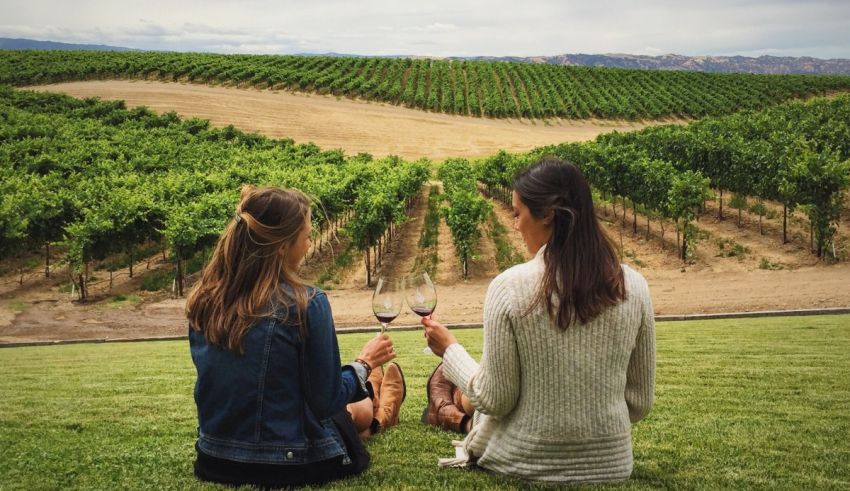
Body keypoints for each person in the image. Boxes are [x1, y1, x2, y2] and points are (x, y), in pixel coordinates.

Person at [422, 157, 656, 484]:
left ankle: (442, 401)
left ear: (547, 214)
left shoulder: (509, 287)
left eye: (518, 213)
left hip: (524, 463)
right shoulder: (635, 287)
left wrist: (449, 351)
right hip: (613, 465)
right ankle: (444, 404)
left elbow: (496, 400)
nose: (515, 225)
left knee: (470, 380)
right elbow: (640, 403)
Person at [186, 185, 406, 488]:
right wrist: (365, 362)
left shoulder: (203, 299)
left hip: (215, 459)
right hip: (286, 466)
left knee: (329, 400)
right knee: (356, 411)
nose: (310, 243)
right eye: (307, 236)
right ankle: (376, 398)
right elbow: (326, 402)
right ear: (281, 248)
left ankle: (373, 392)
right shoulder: (306, 303)